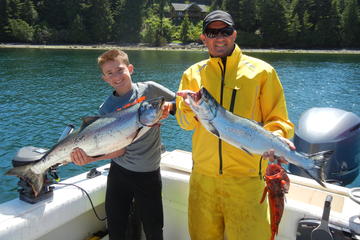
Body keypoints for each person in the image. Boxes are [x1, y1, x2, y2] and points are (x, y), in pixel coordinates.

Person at [176, 10, 295, 240]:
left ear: (234, 35)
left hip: (248, 181)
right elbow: (184, 123)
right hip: (203, 181)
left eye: (225, 31)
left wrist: (275, 138)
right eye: (213, 32)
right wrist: (190, 107)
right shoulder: (192, 74)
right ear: (203, 37)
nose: (219, 37)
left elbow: (279, 120)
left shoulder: (262, 72)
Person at [71, 49, 175, 240]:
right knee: (116, 227)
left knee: (154, 228)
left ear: (130, 68)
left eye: (120, 70)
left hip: (148, 173)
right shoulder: (106, 108)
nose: (116, 76)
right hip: (119, 173)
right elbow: (116, 150)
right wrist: (89, 158)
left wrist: (168, 108)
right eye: (109, 73)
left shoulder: (150, 89)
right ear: (104, 78)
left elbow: (178, 104)